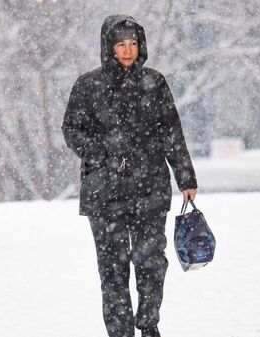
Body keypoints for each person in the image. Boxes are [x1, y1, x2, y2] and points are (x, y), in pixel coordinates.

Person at [62, 15, 198, 337]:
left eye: (133, 43)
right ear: (109, 47)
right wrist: (100, 153)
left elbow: (171, 133)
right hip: (104, 193)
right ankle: (120, 332)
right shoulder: (88, 85)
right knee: (112, 270)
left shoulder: (155, 82)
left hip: (149, 188)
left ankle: (148, 325)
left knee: (151, 263)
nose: (127, 50)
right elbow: (71, 129)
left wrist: (186, 177)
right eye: (121, 44)